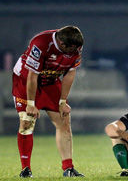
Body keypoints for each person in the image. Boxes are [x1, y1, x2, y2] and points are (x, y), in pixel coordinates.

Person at [12, 26, 84, 177]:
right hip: (26, 79)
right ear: (63, 44)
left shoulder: (75, 46)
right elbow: (32, 75)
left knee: (64, 120)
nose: (76, 52)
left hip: (51, 80)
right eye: (73, 49)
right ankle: (25, 169)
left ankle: (68, 168)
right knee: (27, 121)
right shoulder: (41, 43)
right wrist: (31, 104)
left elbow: (70, 73)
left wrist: (63, 101)